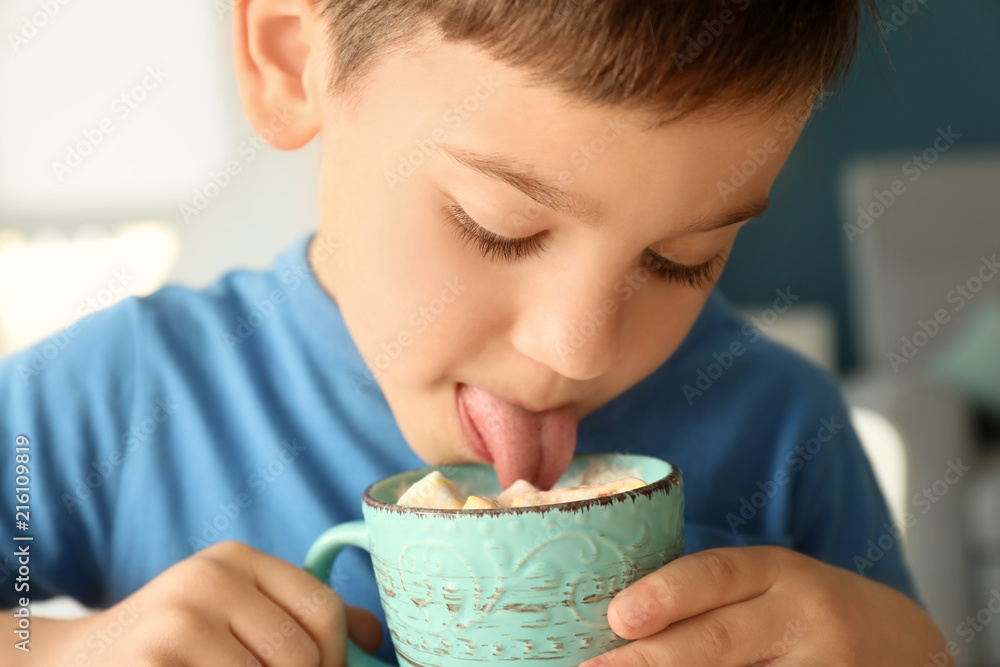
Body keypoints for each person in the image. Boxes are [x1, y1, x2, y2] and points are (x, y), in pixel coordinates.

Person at [0, 0, 950, 664]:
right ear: (293, 60)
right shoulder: (116, 397)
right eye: (498, 226)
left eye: (681, 259)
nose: (576, 349)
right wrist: (62, 651)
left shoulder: (784, 431)